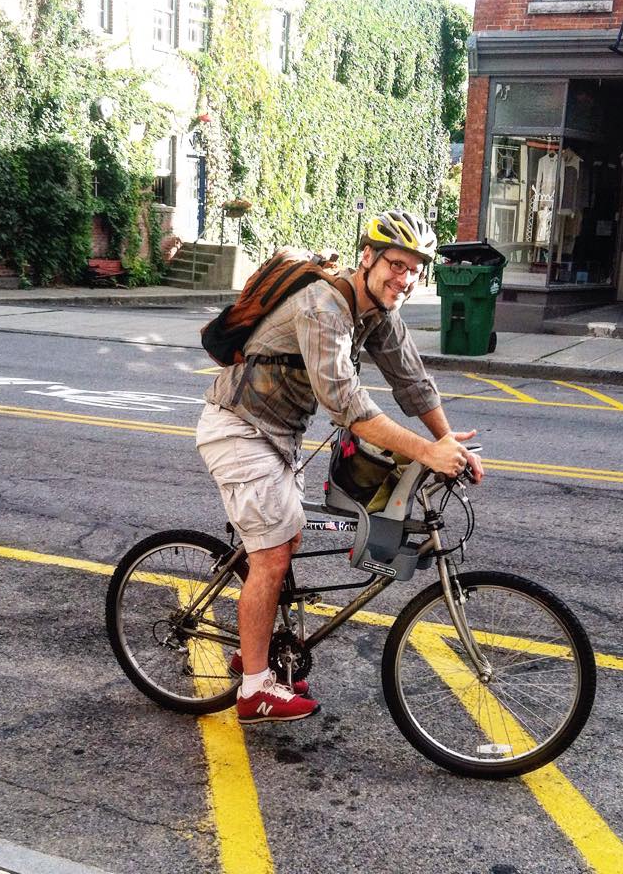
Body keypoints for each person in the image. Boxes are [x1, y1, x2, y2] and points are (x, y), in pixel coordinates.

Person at [195, 209, 485, 725]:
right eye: (396, 263)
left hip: (279, 437)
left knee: (287, 540)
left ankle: (252, 647)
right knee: (273, 554)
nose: (405, 277)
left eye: (414, 269)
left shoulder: (377, 313)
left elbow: (412, 381)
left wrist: (447, 443)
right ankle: (255, 689)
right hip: (237, 429)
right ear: (368, 258)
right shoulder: (323, 306)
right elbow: (348, 406)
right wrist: (425, 451)